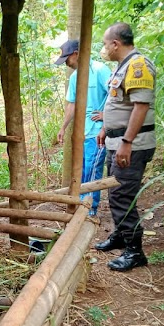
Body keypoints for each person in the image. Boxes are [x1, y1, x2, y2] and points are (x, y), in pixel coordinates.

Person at [96, 23, 156, 272]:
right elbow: (119, 105)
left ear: (115, 44)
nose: (104, 49)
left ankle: (135, 250)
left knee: (122, 194)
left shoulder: (138, 66)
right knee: (115, 191)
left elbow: (140, 107)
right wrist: (105, 129)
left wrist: (126, 142)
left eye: (104, 43)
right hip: (118, 141)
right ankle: (121, 235)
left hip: (131, 144)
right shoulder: (123, 66)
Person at [55, 39, 111, 217]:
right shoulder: (74, 78)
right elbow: (71, 104)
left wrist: (106, 115)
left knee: (93, 170)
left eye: (67, 59)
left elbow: (115, 95)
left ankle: (90, 209)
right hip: (83, 133)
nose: (67, 63)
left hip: (98, 132)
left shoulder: (101, 70)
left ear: (76, 54)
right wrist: (63, 127)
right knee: (84, 170)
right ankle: (84, 205)